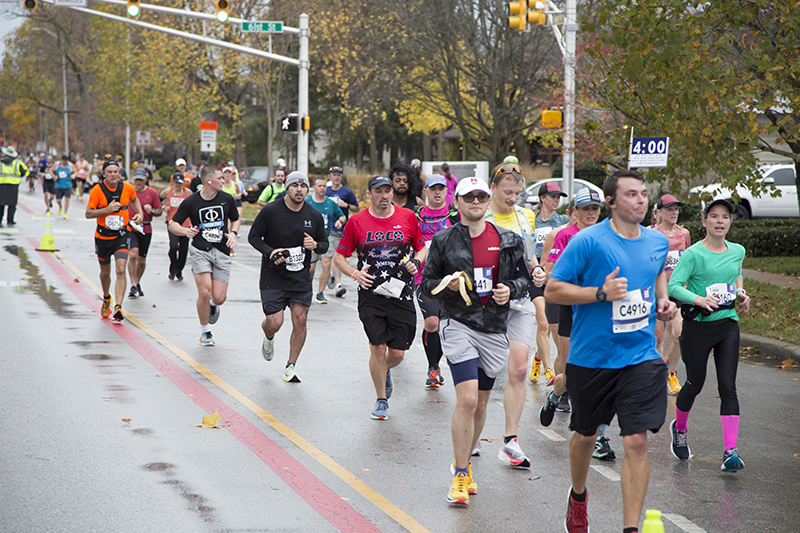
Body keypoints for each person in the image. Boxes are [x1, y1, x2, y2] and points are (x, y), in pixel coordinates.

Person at [545, 169, 676, 533]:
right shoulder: (588, 242)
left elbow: (656, 275)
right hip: (592, 358)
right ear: (611, 201)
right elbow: (553, 290)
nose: (640, 200)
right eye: (631, 194)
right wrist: (599, 294)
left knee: (635, 440)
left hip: (640, 356)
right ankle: (578, 495)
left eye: (643, 193)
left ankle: (630, 528)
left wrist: (664, 302)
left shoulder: (655, 242)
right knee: (586, 436)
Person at [420, 177, 530, 506]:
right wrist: (447, 286)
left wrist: (510, 289)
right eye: (469, 197)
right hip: (458, 324)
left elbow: (523, 279)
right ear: (458, 203)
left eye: (481, 196)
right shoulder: (443, 240)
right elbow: (426, 283)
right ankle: (460, 472)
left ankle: (463, 463)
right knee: (466, 400)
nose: (476, 202)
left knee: (481, 404)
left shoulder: (508, 239)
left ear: (487, 200)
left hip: (494, 327)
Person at [333, 175, 426, 420]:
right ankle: (381, 400)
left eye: (388, 191)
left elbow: (422, 246)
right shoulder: (357, 221)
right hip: (371, 293)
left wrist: (416, 262)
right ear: (370, 194)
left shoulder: (407, 217)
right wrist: (354, 273)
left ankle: (384, 370)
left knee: (396, 354)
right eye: (379, 191)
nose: (384, 195)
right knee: (377, 347)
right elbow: (339, 256)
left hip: (402, 292)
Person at [668, 199, 750, 472]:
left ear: (729, 222)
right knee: (694, 383)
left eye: (724, 217)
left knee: (728, 387)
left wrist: (741, 293)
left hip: (727, 323)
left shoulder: (737, 250)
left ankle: (730, 451)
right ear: (704, 222)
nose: (719, 221)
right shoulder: (693, 254)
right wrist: (699, 299)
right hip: (698, 327)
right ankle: (679, 429)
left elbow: (736, 275)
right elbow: (674, 285)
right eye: (713, 216)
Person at [483, 162, 547, 469]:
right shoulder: (481, 216)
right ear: (492, 189)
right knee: (483, 375)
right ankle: (473, 435)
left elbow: (529, 253)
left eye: (518, 192)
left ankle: (510, 440)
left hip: (519, 298)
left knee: (519, 369)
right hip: (487, 301)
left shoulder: (525, 215)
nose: (513, 198)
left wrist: (536, 269)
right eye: (507, 192)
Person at [248, 172, 328, 381]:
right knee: (275, 322)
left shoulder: (314, 215)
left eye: (303, 186)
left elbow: (324, 244)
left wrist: (316, 245)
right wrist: (270, 252)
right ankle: (268, 334)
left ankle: (291, 366)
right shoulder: (271, 211)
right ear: (287, 188)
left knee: (300, 321)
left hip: (300, 277)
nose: (299, 189)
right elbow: (253, 237)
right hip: (273, 276)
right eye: (295, 185)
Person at [541, 187, 603, 421]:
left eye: (595, 209)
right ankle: (557, 395)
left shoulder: (608, 234)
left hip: (598, 307)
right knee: (568, 372)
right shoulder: (565, 235)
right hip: (570, 306)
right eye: (586, 209)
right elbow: (551, 272)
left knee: (600, 369)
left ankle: (598, 433)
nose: (591, 213)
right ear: (575, 211)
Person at [169, 165, 240, 346]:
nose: (224, 181)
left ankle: (213, 305)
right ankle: (205, 332)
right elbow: (173, 224)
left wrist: (233, 233)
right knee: (205, 291)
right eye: (220, 178)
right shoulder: (192, 202)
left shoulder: (226, 199)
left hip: (222, 251)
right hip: (200, 250)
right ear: (209, 181)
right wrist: (185, 232)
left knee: (219, 297)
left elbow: (235, 218)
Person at [414, 174, 460, 387]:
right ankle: (433, 368)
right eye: (433, 189)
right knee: (432, 322)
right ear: (426, 191)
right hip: (422, 278)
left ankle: (439, 365)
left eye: (441, 188)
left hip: (450, 280)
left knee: (444, 325)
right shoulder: (416, 216)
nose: (438, 192)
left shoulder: (454, 215)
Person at [85, 159, 144, 321]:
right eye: (109, 172)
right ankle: (106, 297)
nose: (113, 175)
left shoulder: (127, 188)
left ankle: (118, 306)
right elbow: (88, 213)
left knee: (120, 269)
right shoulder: (97, 191)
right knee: (105, 273)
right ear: (103, 174)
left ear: (120, 173)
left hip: (121, 235)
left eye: (115, 172)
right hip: (103, 236)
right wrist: (107, 210)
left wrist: (139, 213)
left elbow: (134, 199)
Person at [529, 181, 569, 386]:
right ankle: (547, 369)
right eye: (552, 196)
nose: (556, 200)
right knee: (542, 323)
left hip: (555, 278)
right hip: (535, 275)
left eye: (558, 197)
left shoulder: (563, 220)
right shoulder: (531, 221)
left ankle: (538, 356)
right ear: (542, 198)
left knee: (554, 330)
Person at [652, 194, 692, 395]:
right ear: (659, 212)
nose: (674, 212)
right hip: (658, 291)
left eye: (676, 209)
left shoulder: (684, 234)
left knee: (677, 333)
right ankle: (653, 372)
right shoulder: (652, 234)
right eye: (669, 209)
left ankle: (671, 372)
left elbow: (690, 261)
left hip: (678, 291)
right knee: (658, 336)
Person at [306, 176, 346, 304]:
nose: (322, 188)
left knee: (326, 264)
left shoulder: (330, 203)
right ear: (314, 188)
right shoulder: (307, 202)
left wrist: (340, 221)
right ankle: (307, 290)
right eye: (319, 186)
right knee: (311, 268)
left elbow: (342, 216)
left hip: (325, 238)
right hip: (310, 238)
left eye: (324, 186)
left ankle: (320, 293)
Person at [127, 169, 163, 299]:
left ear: (146, 179)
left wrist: (152, 210)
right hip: (131, 227)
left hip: (146, 227)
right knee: (133, 253)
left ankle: (137, 282)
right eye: (136, 179)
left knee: (141, 260)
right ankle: (132, 284)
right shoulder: (129, 191)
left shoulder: (152, 192)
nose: (138, 182)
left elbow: (159, 211)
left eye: (141, 180)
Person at [325, 165, 360, 298]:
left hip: (345, 229)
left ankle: (333, 276)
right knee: (335, 255)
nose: (336, 177)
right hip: (330, 228)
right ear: (330, 177)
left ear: (341, 176)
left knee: (340, 256)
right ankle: (338, 285)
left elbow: (356, 208)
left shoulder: (346, 192)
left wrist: (346, 205)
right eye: (334, 175)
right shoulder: (326, 191)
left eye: (339, 175)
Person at [160, 172, 191, 281]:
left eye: (180, 183)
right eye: (176, 183)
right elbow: (157, 201)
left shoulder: (188, 193)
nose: (178, 185)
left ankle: (179, 271)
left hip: (185, 224)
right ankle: (173, 269)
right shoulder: (168, 192)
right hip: (172, 223)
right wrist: (164, 207)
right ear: (173, 183)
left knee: (183, 249)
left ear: (183, 183)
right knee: (173, 246)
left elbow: (194, 205)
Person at [0, 147, 29, 226]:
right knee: (12, 204)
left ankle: (0, 220)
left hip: (1, 185)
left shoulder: (0, 162)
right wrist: (18, 176)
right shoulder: (17, 163)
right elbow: (25, 172)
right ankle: (10, 220)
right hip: (13, 185)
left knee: (1, 204)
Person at [50, 155, 76, 219]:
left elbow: (75, 171)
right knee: (58, 200)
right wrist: (54, 176)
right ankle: (60, 206)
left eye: (66, 161)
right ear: (62, 160)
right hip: (59, 185)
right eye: (64, 161)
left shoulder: (70, 165)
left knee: (67, 199)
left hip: (67, 185)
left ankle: (65, 213)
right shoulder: (57, 165)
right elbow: (51, 170)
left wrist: (73, 175)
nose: (65, 162)